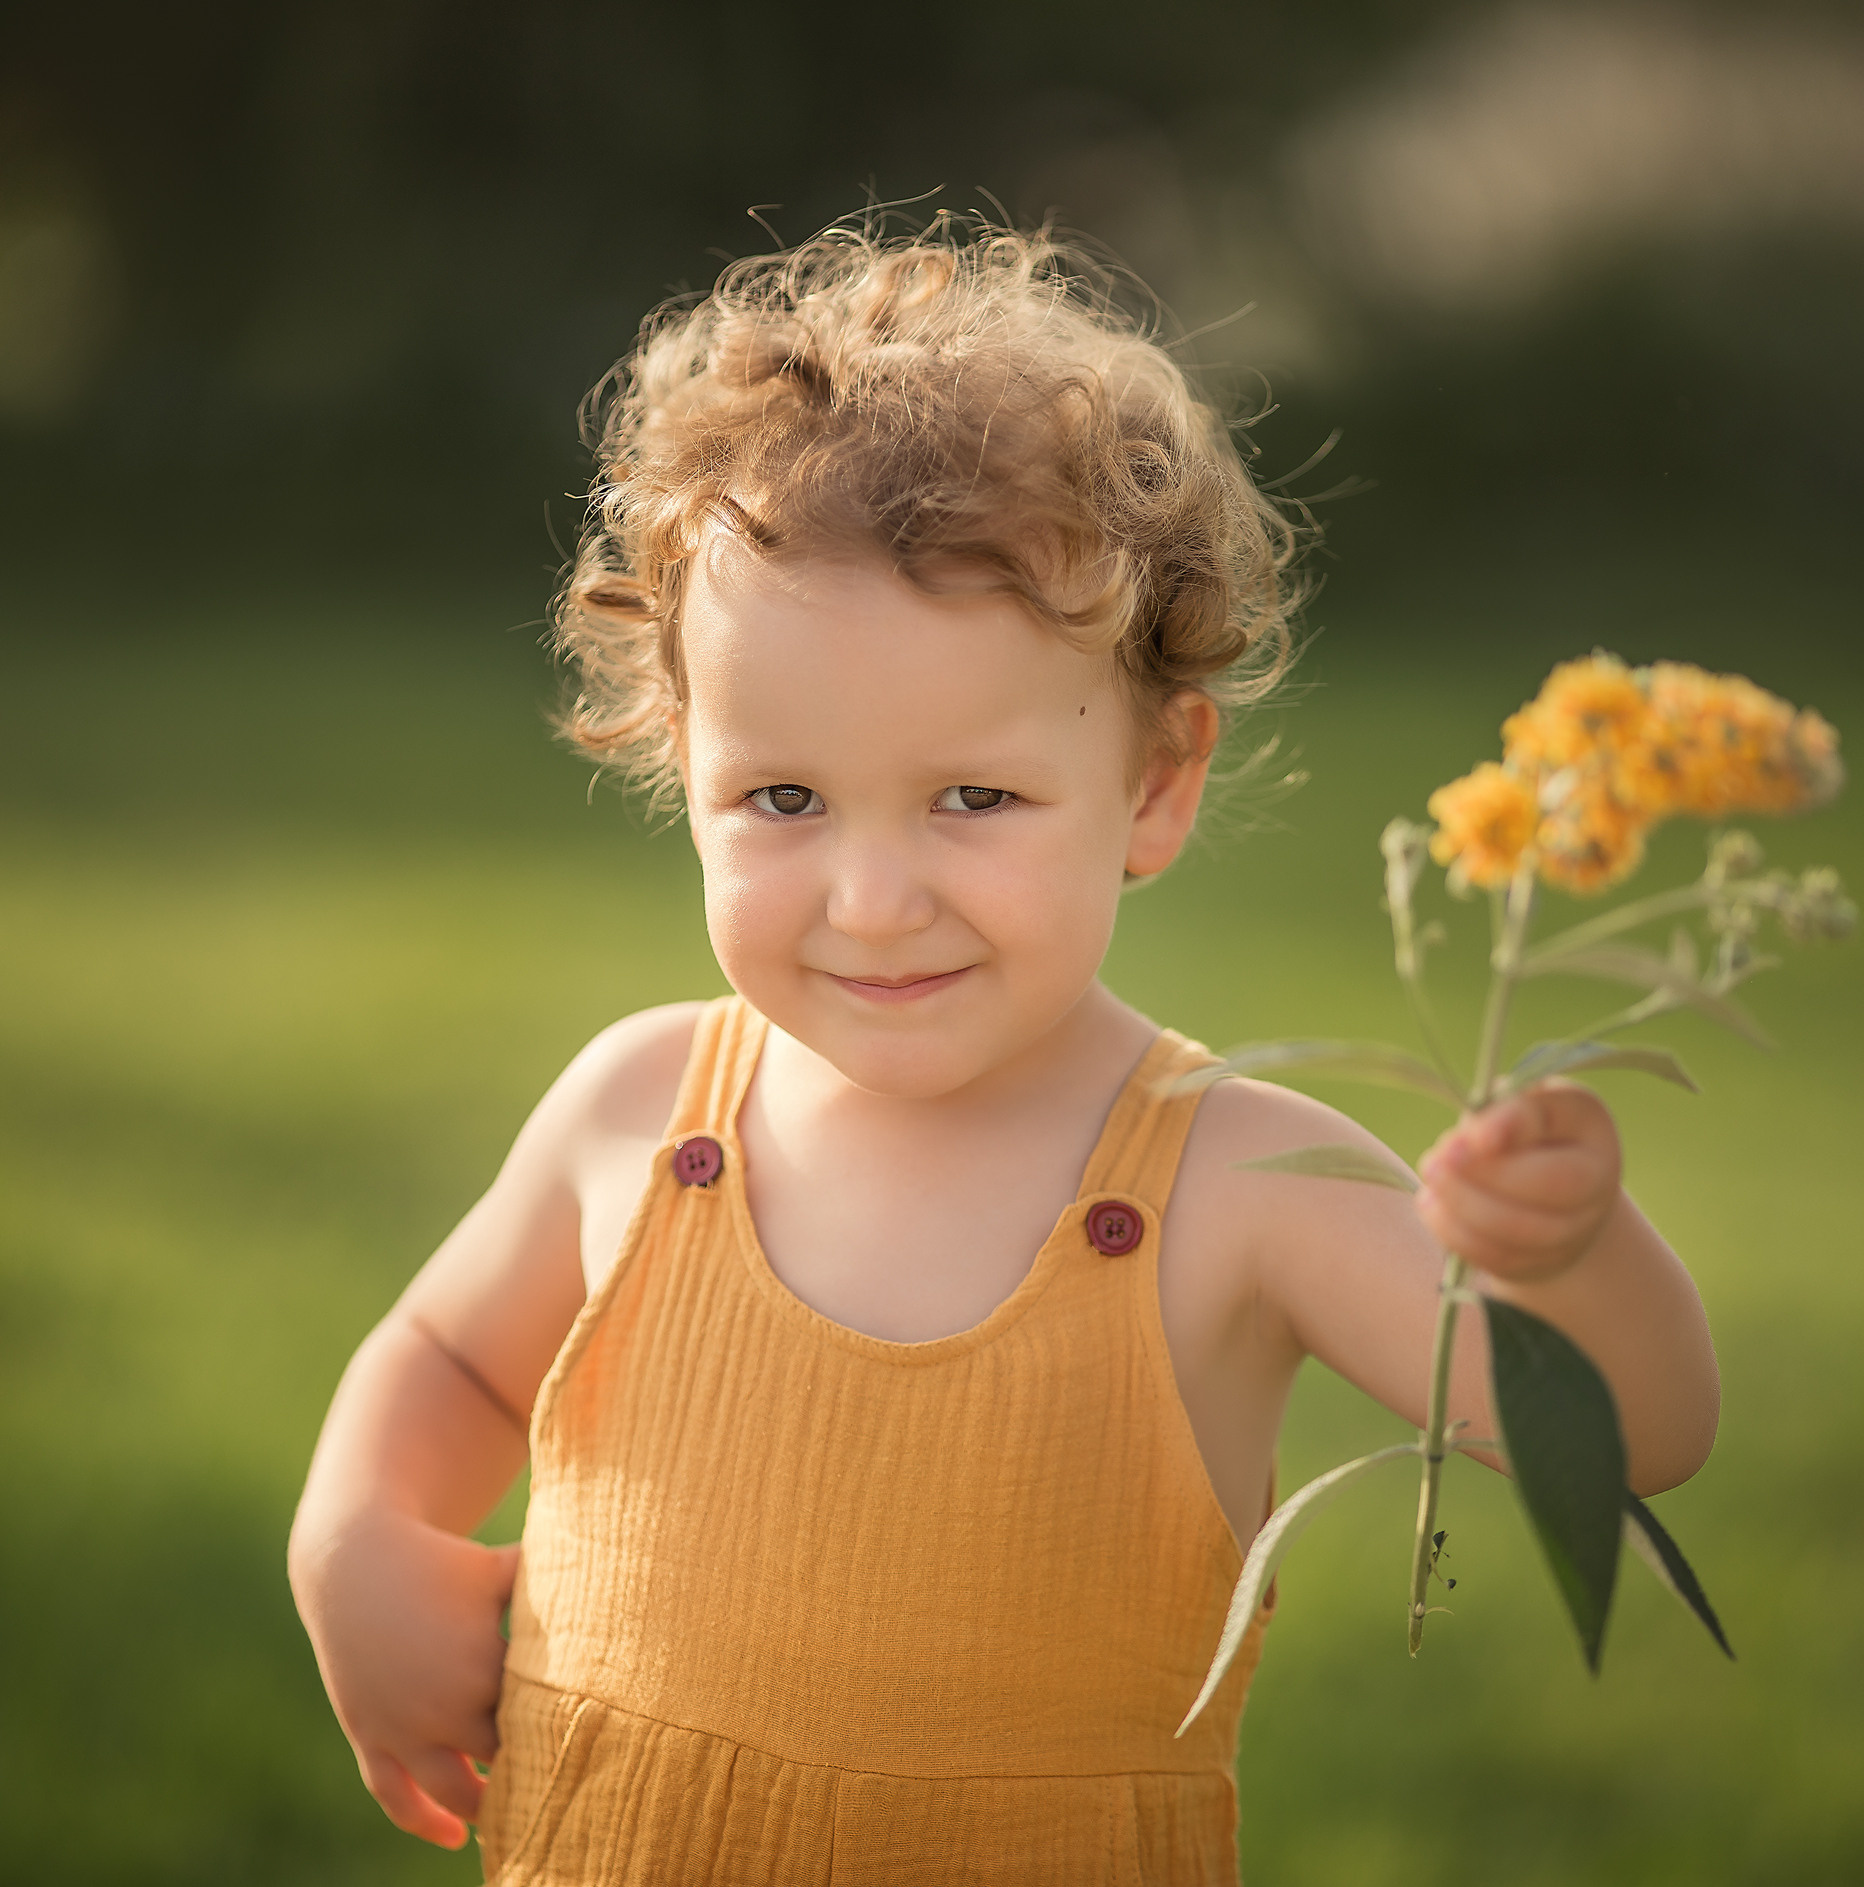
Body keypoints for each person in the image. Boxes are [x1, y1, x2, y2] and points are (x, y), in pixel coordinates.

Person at [287, 219, 1720, 1885]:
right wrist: (354, 1541)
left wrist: (1572, 1255)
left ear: (1159, 783)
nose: (874, 900)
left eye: (974, 800)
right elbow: (454, 1363)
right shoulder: (638, 1107)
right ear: (685, 764)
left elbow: (1626, 1436)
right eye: (783, 799)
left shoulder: (1235, 1183)